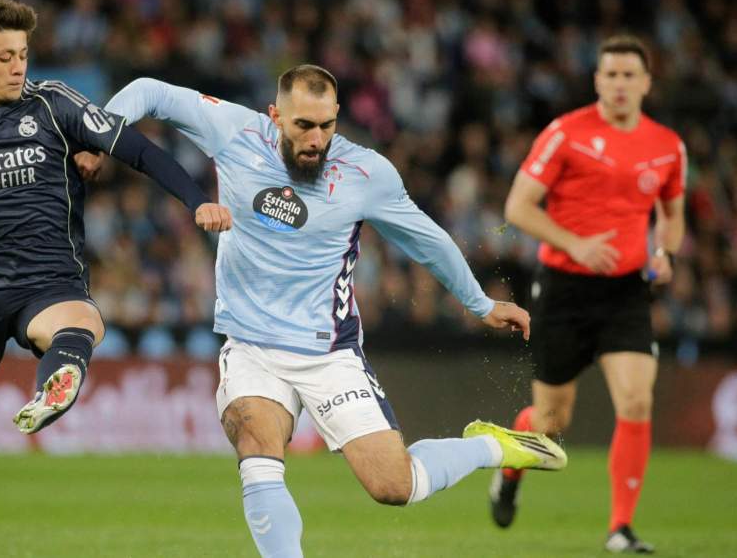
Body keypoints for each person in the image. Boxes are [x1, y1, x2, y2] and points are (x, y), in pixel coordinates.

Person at [80, 65, 567, 558]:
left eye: (326, 126)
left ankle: (489, 446)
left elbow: (428, 240)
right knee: (256, 443)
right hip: (250, 343)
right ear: (275, 116)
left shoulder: (366, 174)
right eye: (302, 126)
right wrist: (99, 137)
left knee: (395, 487)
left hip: (328, 352)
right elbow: (147, 92)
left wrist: (479, 303)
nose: (316, 139)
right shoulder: (233, 130)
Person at [0, 0, 231, 545]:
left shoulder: (54, 104)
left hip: (48, 280)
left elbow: (137, 150)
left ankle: (60, 377)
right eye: (4, 56)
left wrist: (197, 200)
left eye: (23, 53)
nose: (18, 66)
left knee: (78, 323)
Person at [496, 35, 686, 554]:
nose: (620, 84)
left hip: (626, 291)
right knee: (553, 424)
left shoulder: (667, 145)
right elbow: (518, 207)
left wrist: (665, 253)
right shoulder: (566, 133)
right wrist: (576, 243)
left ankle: (620, 528)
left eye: (630, 75)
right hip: (565, 289)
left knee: (636, 399)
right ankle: (511, 474)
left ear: (646, 83)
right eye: (611, 74)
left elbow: (673, 216)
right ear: (597, 80)